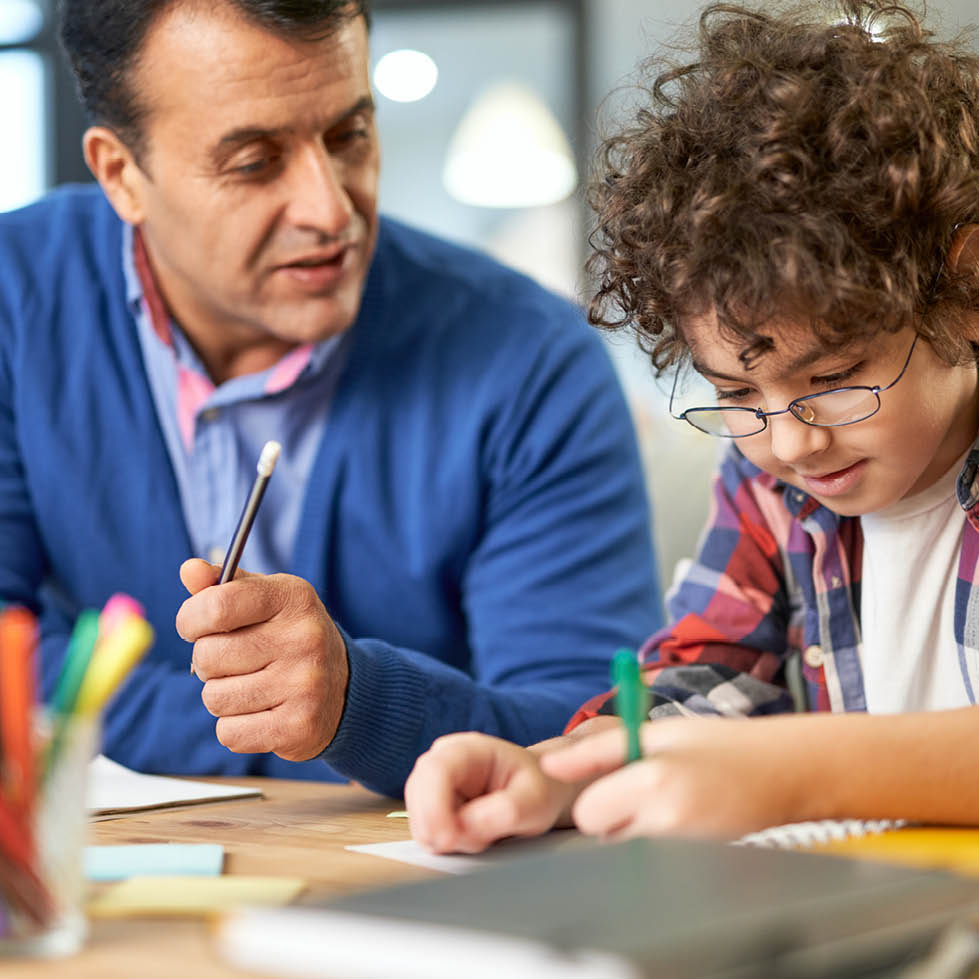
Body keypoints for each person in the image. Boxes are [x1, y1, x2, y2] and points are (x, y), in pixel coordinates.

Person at [0, 0, 662, 797]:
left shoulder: (531, 357)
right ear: (120, 175)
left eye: (349, 136)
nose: (331, 210)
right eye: (253, 161)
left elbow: (587, 732)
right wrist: (274, 729)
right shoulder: (16, 299)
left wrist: (356, 701)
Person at [405, 0, 979, 852]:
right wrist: (562, 771)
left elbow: (767, 760)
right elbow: (709, 676)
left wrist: (783, 770)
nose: (788, 440)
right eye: (736, 391)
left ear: (963, 290)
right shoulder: (773, 485)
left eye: (832, 378)